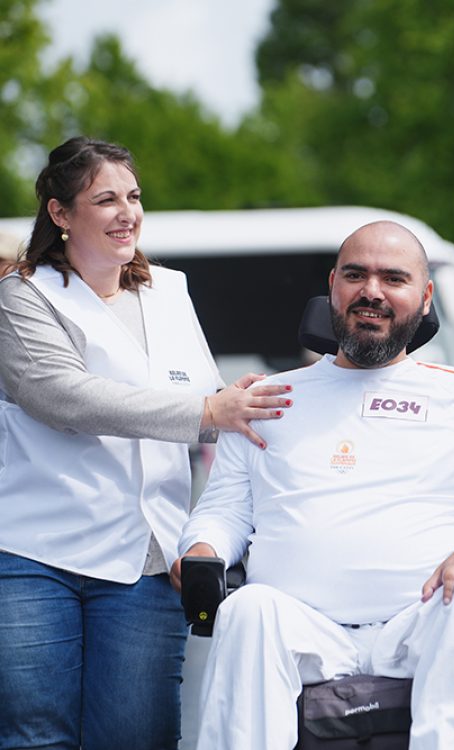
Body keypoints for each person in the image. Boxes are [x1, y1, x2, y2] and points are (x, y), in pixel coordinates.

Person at [171, 220, 454, 750]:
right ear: (332, 286)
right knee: (248, 609)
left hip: (422, 619)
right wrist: (201, 547)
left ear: (424, 296)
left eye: (393, 278)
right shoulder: (266, 398)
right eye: (356, 274)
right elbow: (226, 508)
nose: (372, 291)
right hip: (300, 625)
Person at [0, 137, 293, 750]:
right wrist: (207, 408)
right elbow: (60, 396)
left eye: (133, 196)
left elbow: (208, 407)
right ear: (59, 214)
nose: (127, 212)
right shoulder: (23, 295)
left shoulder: (170, 291)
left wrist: (205, 532)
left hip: (147, 560)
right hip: (33, 556)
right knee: (35, 738)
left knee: (139, 738)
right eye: (105, 199)